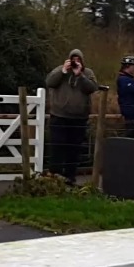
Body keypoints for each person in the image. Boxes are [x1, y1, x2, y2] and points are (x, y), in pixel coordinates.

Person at [44, 48, 98, 183]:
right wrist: (63, 71)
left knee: (74, 148)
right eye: (73, 59)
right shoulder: (60, 71)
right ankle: (54, 175)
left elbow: (92, 88)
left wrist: (80, 75)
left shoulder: (88, 73)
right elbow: (49, 82)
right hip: (59, 115)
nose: (75, 62)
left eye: (78, 60)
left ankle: (70, 177)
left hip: (79, 118)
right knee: (57, 146)